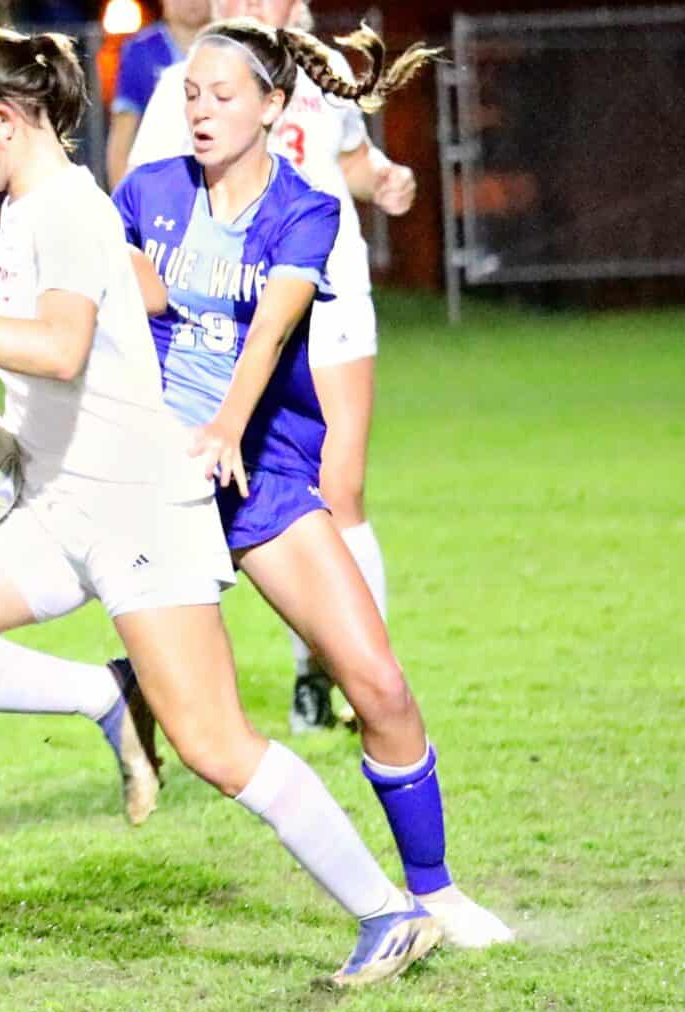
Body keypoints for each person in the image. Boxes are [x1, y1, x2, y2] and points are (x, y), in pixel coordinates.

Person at [0, 25, 442, 986]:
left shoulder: (68, 207)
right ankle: (102, 696)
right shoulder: (32, 211)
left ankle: (389, 913)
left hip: (140, 511)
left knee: (215, 747)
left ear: (4, 119)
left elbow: (64, 345)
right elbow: (82, 322)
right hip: (54, 507)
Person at [127, 0, 417, 735]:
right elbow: (140, 208)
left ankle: (343, 680)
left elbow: (351, 162)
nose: (252, 4)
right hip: (215, 316)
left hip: (325, 295)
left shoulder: (324, 74)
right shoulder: (187, 82)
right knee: (211, 503)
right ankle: (171, 682)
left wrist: (384, 178)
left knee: (338, 492)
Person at [106, 0, 210, 188]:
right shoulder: (141, 51)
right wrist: (121, 196)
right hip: (160, 176)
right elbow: (122, 133)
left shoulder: (230, 47)